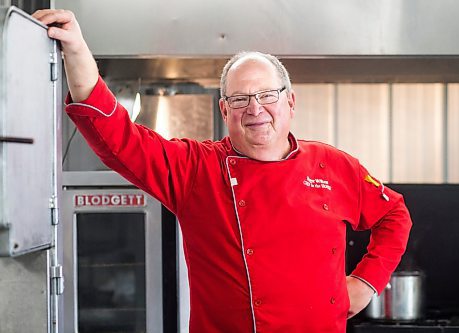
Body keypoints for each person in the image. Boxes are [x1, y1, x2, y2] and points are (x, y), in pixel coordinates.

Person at [34, 9, 412, 333]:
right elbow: (118, 139)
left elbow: (395, 214)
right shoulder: (195, 169)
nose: (255, 109)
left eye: (267, 95)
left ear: (290, 102)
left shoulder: (334, 165)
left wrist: (366, 282)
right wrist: (78, 51)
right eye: (240, 99)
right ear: (224, 110)